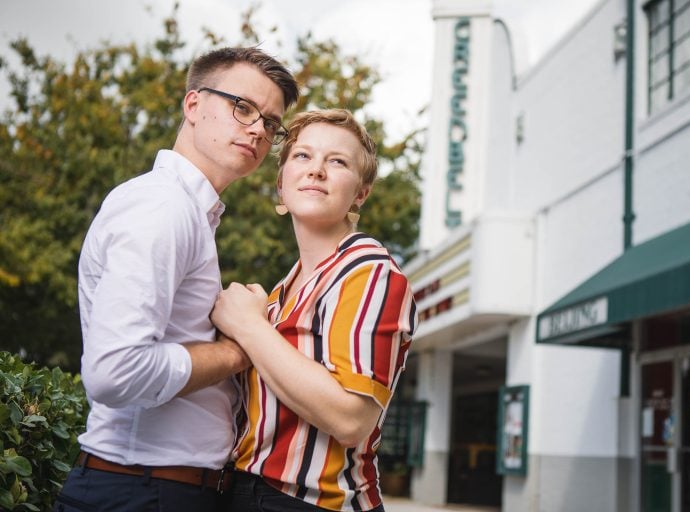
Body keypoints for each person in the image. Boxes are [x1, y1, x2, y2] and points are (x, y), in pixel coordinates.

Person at [53, 47, 299, 512]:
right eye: (242, 107)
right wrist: (239, 349)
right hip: (141, 490)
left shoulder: (189, 211)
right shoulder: (163, 207)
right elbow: (114, 372)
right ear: (193, 105)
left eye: (270, 123)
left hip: (157, 489)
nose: (257, 130)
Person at [210, 109, 418, 512]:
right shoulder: (280, 293)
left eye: (338, 161)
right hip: (247, 492)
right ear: (281, 186)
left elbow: (350, 419)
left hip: (316, 503)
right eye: (302, 156)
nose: (317, 170)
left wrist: (249, 327)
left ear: (361, 193)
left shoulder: (371, 273)